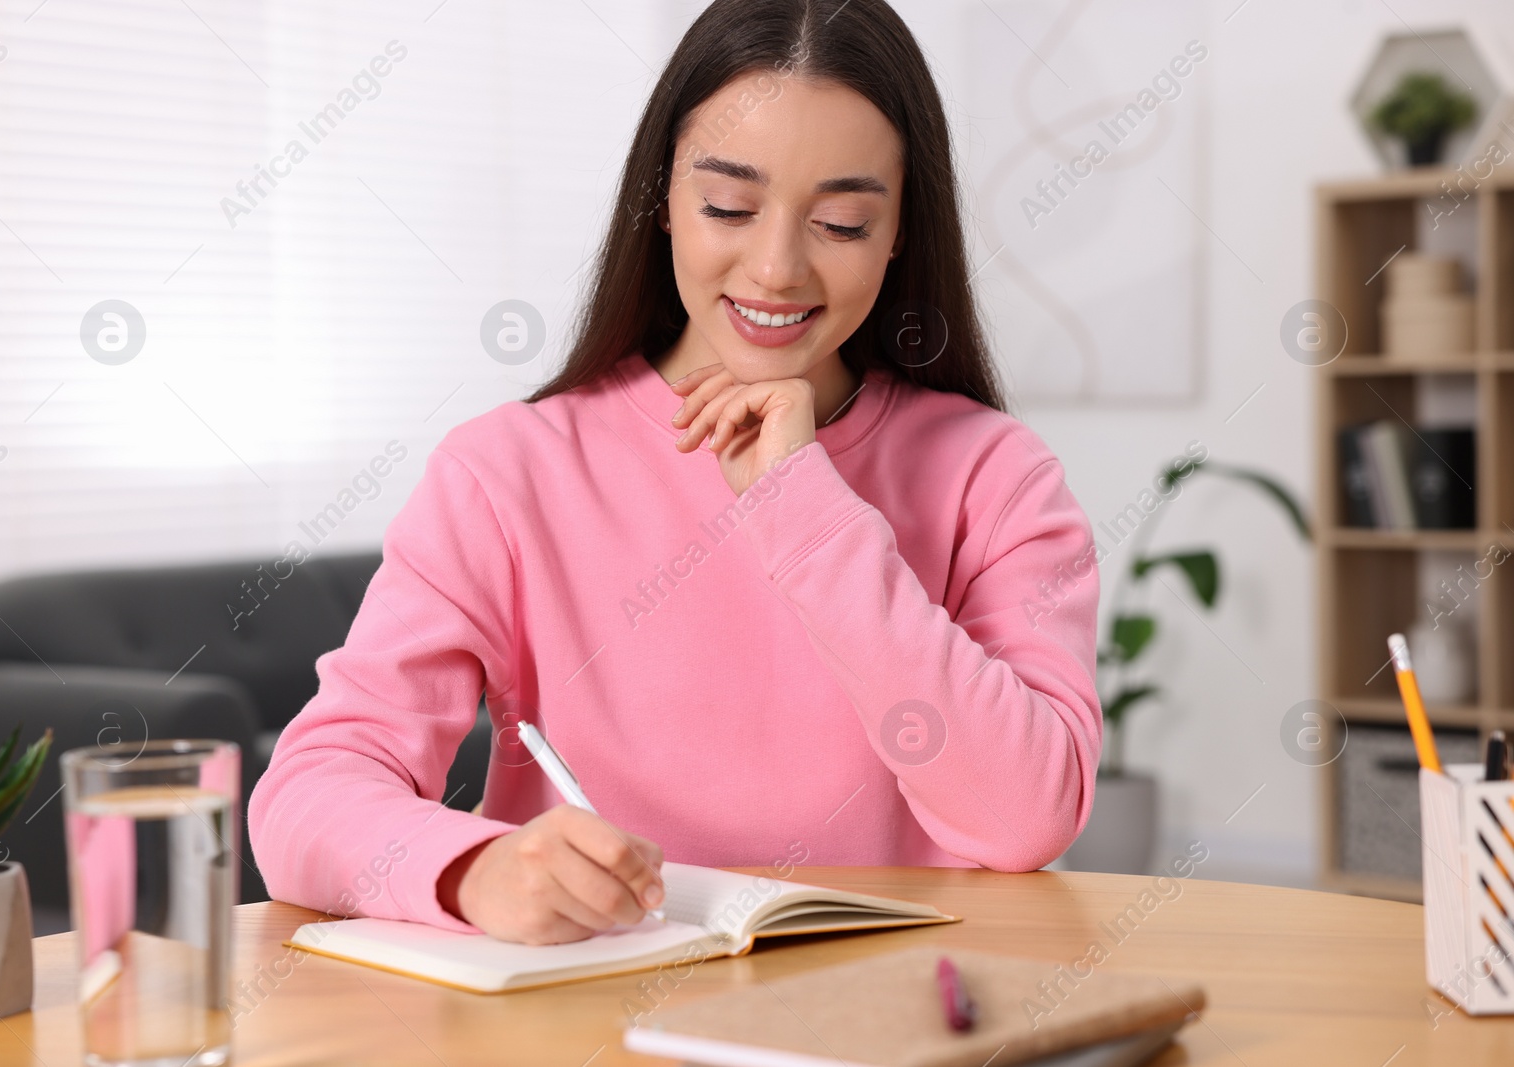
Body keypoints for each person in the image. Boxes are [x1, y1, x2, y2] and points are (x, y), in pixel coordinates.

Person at [248, 0, 1101, 946]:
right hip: (587, 1017)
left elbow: (1027, 815)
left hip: (892, 1013)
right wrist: (470, 869)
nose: (775, 267)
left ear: (901, 230)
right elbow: (306, 799)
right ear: (660, 201)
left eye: (842, 222)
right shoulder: (510, 471)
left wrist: (801, 507)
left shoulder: (994, 475)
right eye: (728, 207)